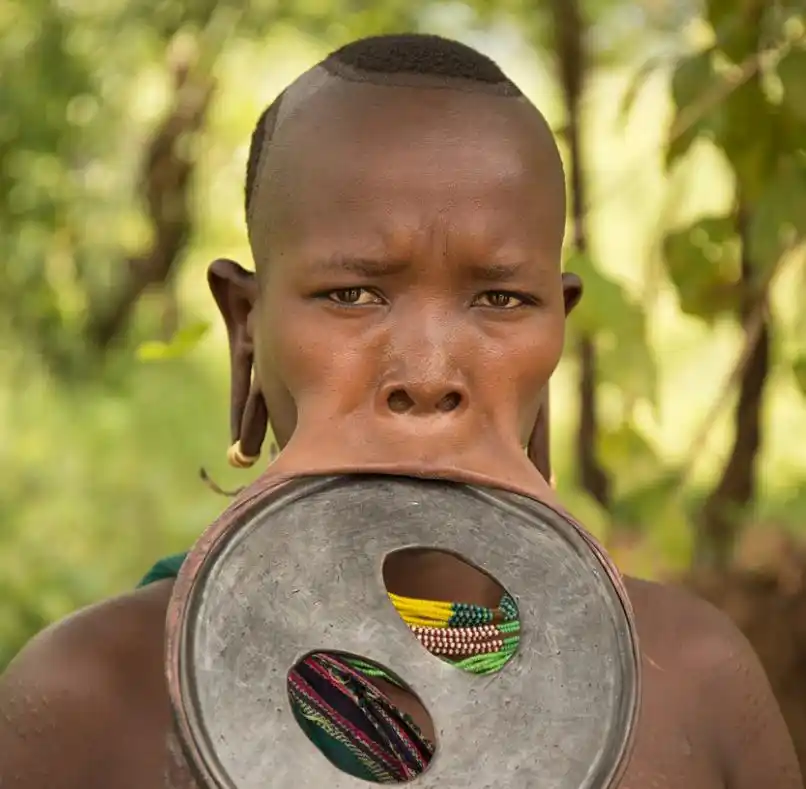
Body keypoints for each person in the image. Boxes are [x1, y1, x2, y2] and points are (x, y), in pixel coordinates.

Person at [0, 33, 801, 789]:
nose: (426, 375)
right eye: (352, 294)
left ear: (557, 331)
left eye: (501, 300)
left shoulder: (692, 686)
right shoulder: (91, 702)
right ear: (247, 325)